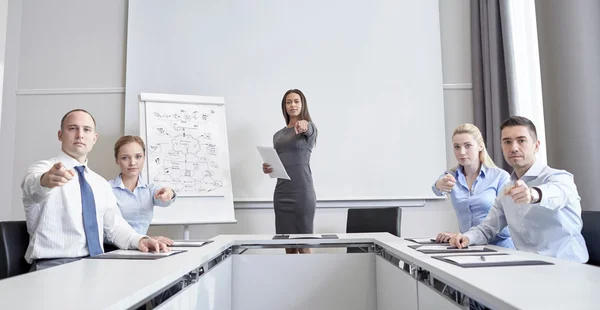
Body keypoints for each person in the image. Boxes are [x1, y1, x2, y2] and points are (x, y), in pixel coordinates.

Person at [22, 109, 168, 271]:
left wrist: (141, 240)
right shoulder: (43, 169)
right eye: (72, 128)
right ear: (60, 135)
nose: (80, 135)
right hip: (53, 265)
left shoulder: (100, 183)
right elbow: (33, 187)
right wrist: (46, 181)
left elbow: (115, 227)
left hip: (94, 264)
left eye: (86, 129)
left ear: (94, 138)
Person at [450, 116, 589, 263]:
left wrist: (533, 194)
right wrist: (466, 238)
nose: (514, 148)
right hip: (527, 267)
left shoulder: (559, 177)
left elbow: (558, 192)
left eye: (521, 140)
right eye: (507, 142)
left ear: (536, 145)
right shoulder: (507, 190)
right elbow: (487, 228)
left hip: (566, 268)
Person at [432, 124, 514, 248]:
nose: (462, 152)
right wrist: (439, 185)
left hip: (500, 247)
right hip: (470, 247)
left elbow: (508, 219)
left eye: (468, 146)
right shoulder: (451, 176)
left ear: (480, 146)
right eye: (457, 147)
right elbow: (437, 188)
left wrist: (470, 236)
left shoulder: (500, 177)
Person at [262, 89, 317, 254]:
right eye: (288, 102)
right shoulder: (277, 136)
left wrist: (304, 124)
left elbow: (309, 129)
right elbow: (279, 161)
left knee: (304, 245)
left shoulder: (309, 128)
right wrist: (268, 167)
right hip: (282, 193)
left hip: (302, 193)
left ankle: (310, 280)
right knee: (289, 247)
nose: (292, 105)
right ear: (284, 107)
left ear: (302, 104)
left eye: (296, 101)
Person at [109, 135, 176, 244]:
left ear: (144, 158)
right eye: (125, 158)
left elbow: (165, 200)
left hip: (141, 248)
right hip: (113, 250)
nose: (132, 163)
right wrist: (145, 239)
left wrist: (169, 193)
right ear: (117, 160)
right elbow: (111, 229)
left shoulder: (150, 189)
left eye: (138, 156)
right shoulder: (107, 189)